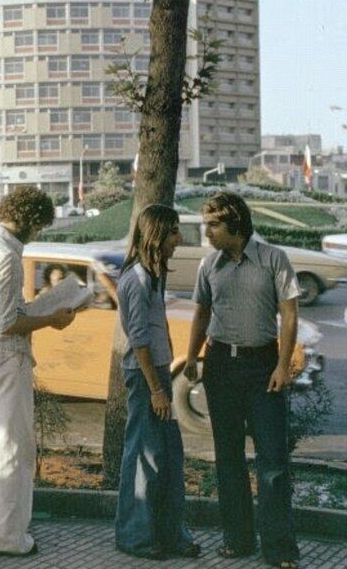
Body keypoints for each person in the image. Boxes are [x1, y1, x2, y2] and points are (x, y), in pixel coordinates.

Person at [185, 191, 301, 568]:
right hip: (221, 365)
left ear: (235, 222)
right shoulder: (209, 266)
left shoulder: (273, 259)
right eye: (206, 224)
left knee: (272, 460)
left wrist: (283, 366)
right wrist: (191, 357)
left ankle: (279, 548)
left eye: (213, 224)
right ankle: (238, 540)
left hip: (263, 367)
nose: (207, 232)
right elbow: (201, 314)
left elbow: (289, 315)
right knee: (228, 458)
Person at [0, 186, 75, 556]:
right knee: (14, 447)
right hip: (8, 356)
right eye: (39, 226)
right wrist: (52, 319)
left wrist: (26, 310)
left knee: (5, 441)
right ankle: (4, 536)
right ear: (29, 220)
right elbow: (10, 322)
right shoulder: (7, 255)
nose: (38, 234)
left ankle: (1, 528)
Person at [114, 204, 199, 560]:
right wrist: (157, 390)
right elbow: (138, 341)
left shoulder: (152, 274)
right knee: (144, 459)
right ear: (156, 236)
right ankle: (136, 538)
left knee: (167, 458)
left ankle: (167, 535)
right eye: (174, 232)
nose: (179, 239)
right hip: (145, 377)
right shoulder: (135, 278)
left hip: (158, 372)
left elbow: (155, 326)